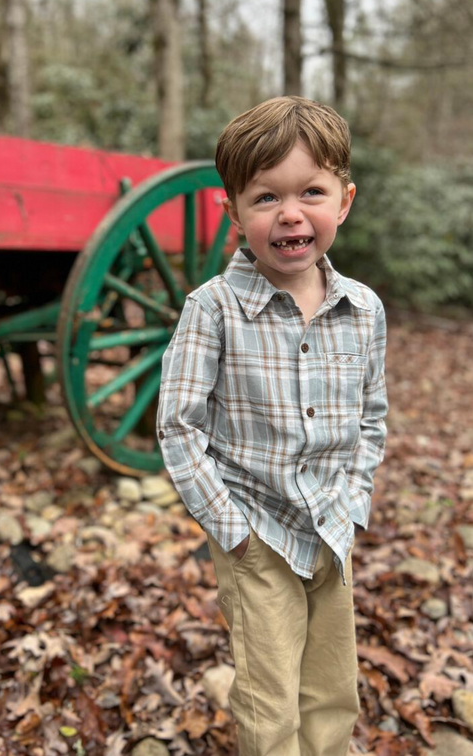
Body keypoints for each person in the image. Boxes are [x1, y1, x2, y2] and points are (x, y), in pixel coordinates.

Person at [156, 95, 388, 756]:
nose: (289, 213)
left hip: (330, 527)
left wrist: (355, 500)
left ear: (342, 201)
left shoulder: (362, 310)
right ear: (231, 213)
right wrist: (230, 531)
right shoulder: (214, 310)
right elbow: (178, 427)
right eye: (264, 198)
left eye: (309, 192)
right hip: (255, 534)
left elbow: (371, 416)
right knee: (267, 686)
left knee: (332, 680)